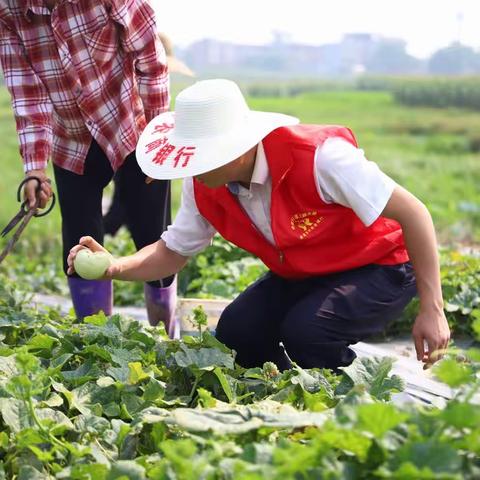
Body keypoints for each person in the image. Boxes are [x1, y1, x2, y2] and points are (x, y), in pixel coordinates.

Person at [67, 79, 451, 371]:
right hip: (303, 273)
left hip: (380, 268)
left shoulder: (322, 159)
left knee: (308, 332)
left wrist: (432, 309)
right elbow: (173, 250)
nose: (191, 166)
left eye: (202, 155)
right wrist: (116, 266)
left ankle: (332, 399)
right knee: (236, 334)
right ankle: (282, 384)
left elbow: (414, 213)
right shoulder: (205, 181)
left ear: (238, 148)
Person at [0, 0, 178, 336]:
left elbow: (152, 64)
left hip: (131, 127)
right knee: (79, 247)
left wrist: (158, 145)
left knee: (153, 235)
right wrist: (34, 169)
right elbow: (28, 95)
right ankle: (94, 342)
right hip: (71, 139)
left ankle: (167, 336)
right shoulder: (10, 11)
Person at [104, 31, 194, 237]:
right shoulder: (136, 84)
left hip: (139, 152)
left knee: (126, 210)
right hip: (145, 152)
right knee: (146, 224)